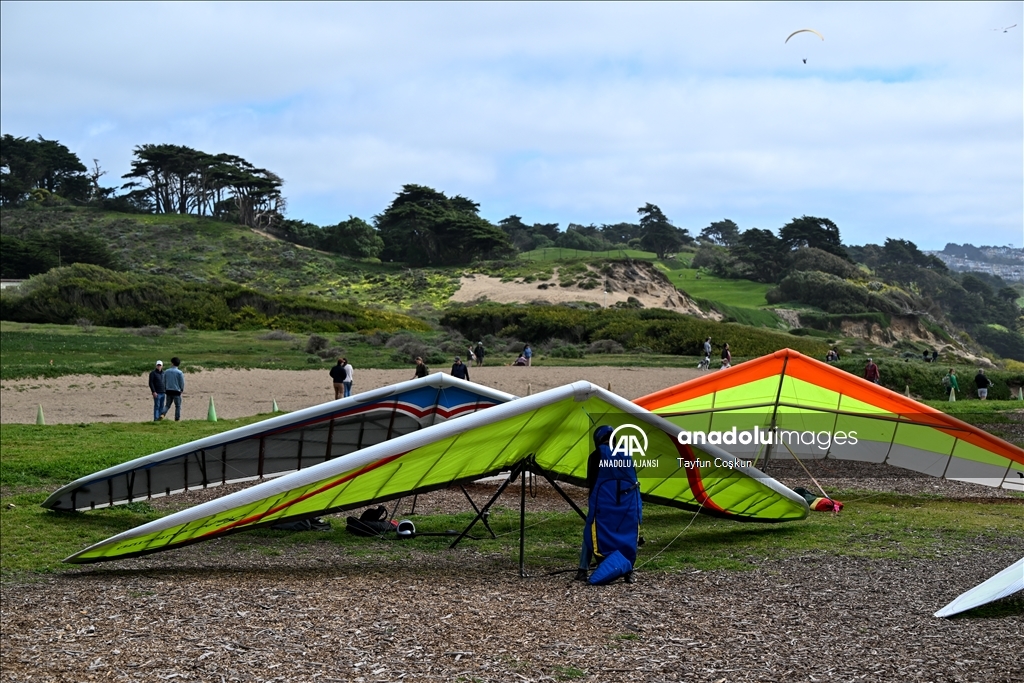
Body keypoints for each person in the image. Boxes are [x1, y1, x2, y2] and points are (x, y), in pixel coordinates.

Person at [576, 425, 641, 584]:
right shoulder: (626, 454)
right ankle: (628, 571)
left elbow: (591, 483)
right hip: (628, 507)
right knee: (627, 535)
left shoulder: (596, 455)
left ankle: (582, 570)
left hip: (604, 505)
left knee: (589, 532)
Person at [161, 357, 185, 421]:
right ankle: (177, 418)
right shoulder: (179, 372)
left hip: (168, 390)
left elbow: (164, 381)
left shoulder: (167, 371)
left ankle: (162, 414)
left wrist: (165, 388)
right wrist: (181, 389)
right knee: (178, 406)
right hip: (176, 391)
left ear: (172, 363)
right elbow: (182, 382)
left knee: (167, 405)